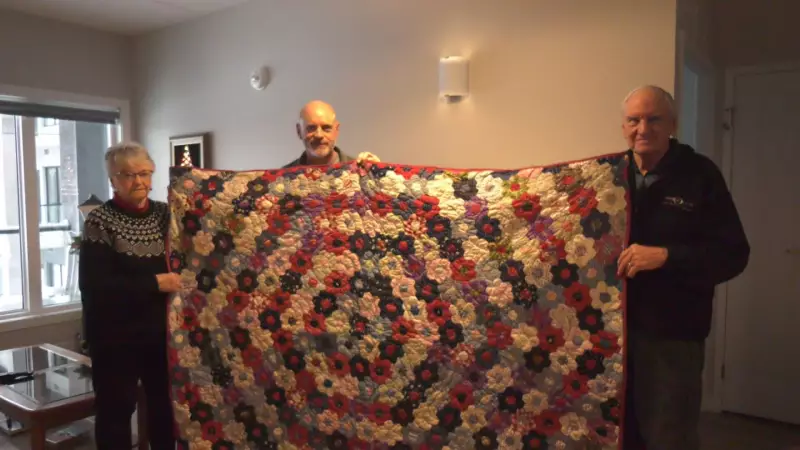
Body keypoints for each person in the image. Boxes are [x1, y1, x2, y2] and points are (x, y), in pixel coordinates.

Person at [617, 85, 750, 450]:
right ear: (623, 126)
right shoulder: (609, 175)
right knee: (617, 433)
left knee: (669, 434)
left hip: (672, 334)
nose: (643, 129)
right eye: (634, 120)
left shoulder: (700, 175)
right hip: (611, 332)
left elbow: (733, 253)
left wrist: (666, 256)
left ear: (673, 124)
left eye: (654, 119)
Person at [79, 142, 179, 450]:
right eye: (128, 175)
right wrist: (155, 282)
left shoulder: (165, 215)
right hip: (114, 337)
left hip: (160, 333)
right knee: (116, 413)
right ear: (113, 180)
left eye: (145, 173)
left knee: (164, 409)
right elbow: (96, 286)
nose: (139, 181)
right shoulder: (99, 222)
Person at [283, 100, 379, 167]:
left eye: (326, 128)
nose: (319, 135)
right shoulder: (283, 179)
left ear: (336, 130)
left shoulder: (359, 171)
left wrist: (378, 175)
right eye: (311, 128)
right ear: (299, 131)